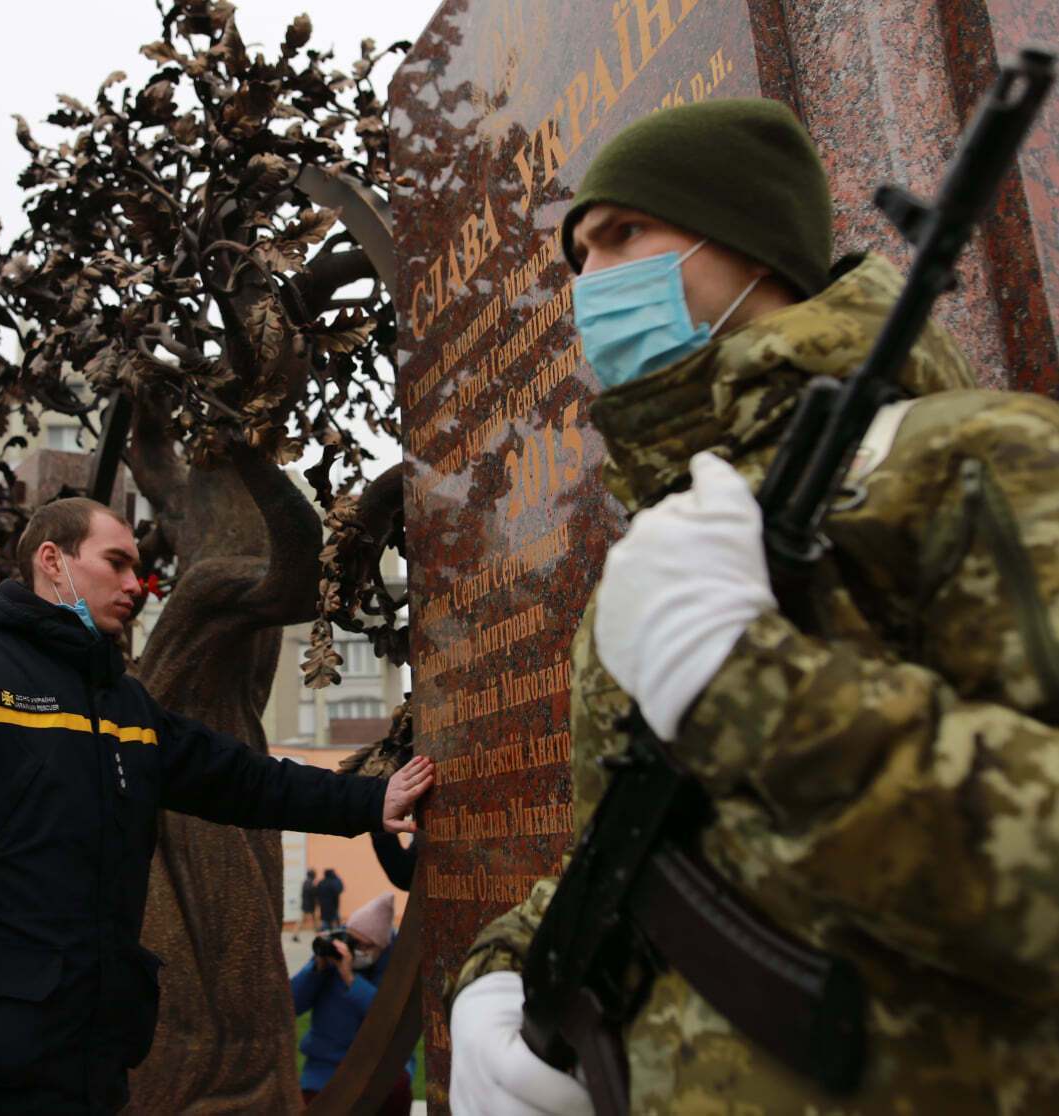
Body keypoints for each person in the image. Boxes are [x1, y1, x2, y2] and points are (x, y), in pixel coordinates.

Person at [447, 97, 1059, 1113]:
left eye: (622, 234)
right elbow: (663, 841)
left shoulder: (973, 459)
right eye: (577, 255)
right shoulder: (669, 534)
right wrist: (502, 974)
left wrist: (753, 689)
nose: (589, 282)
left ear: (750, 243)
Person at [0, 496, 435, 1115]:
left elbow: (242, 779)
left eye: (138, 568)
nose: (136, 584)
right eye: (117, 563)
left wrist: (369, 798)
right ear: (53, 561)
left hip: (90, 1062)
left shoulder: (120, 701)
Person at [291, 891, 413, 1114]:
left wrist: (350, 978)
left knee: (397, 1088)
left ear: (381, 947)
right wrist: (316, 969)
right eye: (351, 940)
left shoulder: (393, 968)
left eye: (362, 945)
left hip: (378, 1068)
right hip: (325, 1070)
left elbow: (387, 1017)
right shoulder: (331, 958)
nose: (353, 950)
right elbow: (291, 1005)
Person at [314, 867, 344, 931]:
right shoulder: (333, 883)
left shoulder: (321, 882)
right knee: (335, 923)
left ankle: (325, 933)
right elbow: (340, 889)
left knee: (325, 922)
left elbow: (316, 893)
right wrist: (337, 878)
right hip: (333, 906)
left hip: (323, 907)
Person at [293, 868, 318, 941]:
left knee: (301, 920)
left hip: (305, 904)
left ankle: (295, 934)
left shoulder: (305, 882)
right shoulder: (311, 883)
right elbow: (313, 894)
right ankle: (318, 935)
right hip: (310, 905)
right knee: (314, 921)